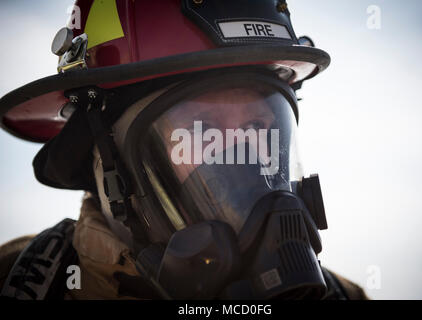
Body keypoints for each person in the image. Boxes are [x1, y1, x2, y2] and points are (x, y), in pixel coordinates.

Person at [0, 0, 368, 300]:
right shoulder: (15, 279)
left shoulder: (345, 297)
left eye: (259, 128)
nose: (244, 157)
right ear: (107, 158)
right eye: (202, 131)